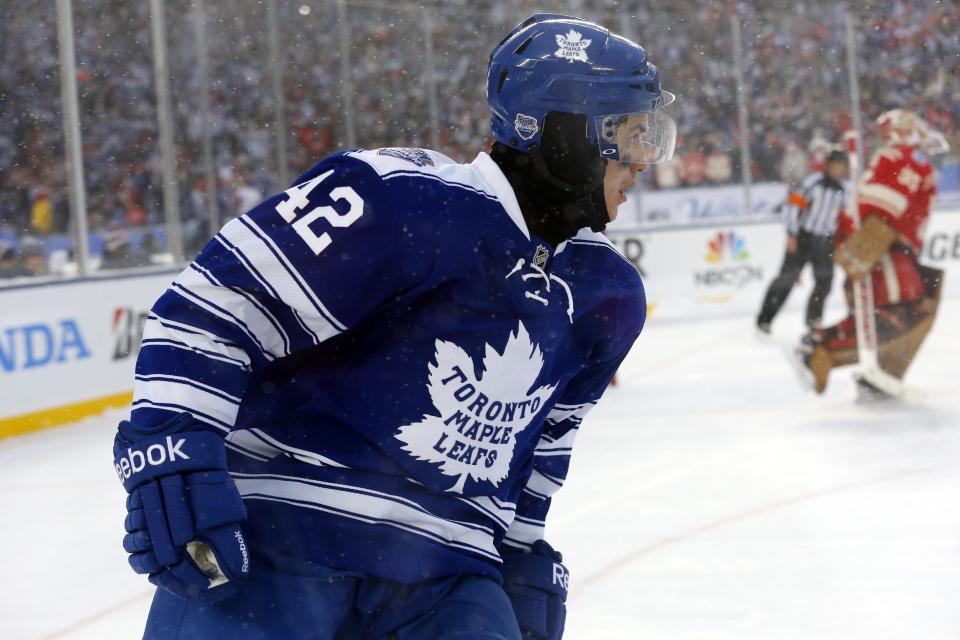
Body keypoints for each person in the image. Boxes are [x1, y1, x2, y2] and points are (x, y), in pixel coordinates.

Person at [112, 14, 677, 640]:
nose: (646, 159)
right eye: (629, 135)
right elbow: (213, 307)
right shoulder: (400, 196)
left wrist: (521, 547)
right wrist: (171, 448)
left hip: (446, 579)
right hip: (280, 543)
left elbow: (545, 443)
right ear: (566, 134)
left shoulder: (609, 293)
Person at [795, 109, 947, 399]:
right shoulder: (904, 158)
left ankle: (855, 361)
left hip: (881, 247)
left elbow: (864, 206)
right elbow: (878, 207)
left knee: (896, 316)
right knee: (899, 318)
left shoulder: (890, 160)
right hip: (883, 249)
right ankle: (818, 349)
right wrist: (867, 244)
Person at [756, 148, 849, 334]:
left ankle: (814, 322)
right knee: (786, 279)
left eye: (842, 167)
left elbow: (842, 217)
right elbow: (792, 204)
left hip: (825, 241)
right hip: (804, 237)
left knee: (824, 281)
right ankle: (765, 319)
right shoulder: (812, 183)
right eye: (835, 166)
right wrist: (791, 233)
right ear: (827, 166)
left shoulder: (842, 190)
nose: (838, 170)